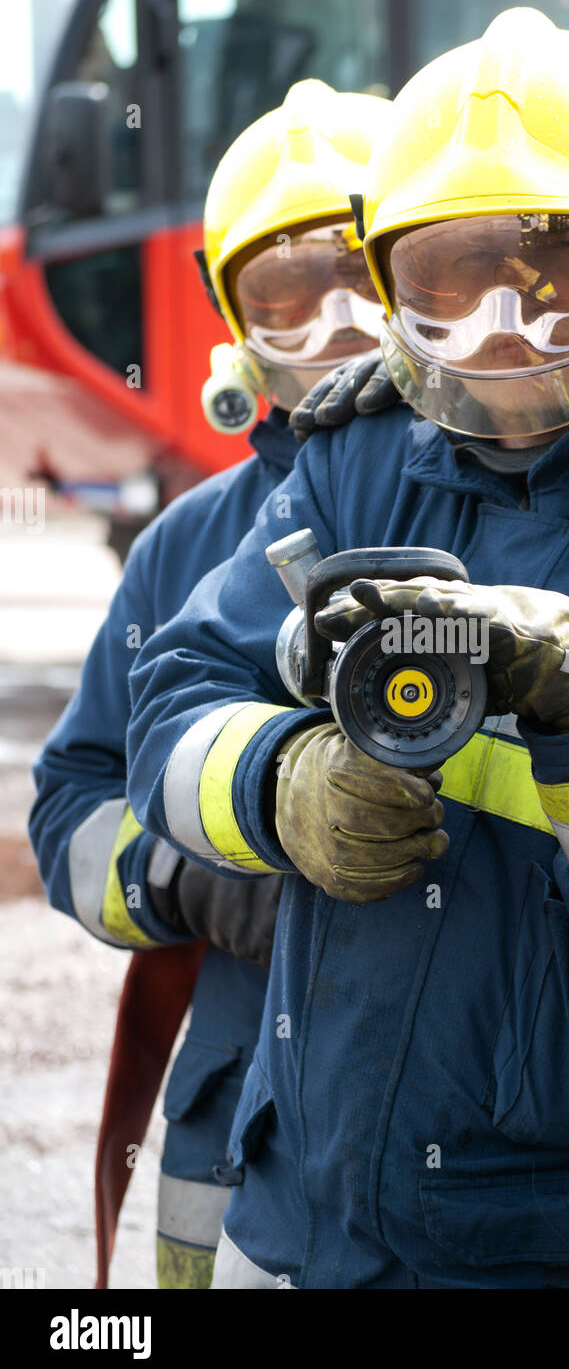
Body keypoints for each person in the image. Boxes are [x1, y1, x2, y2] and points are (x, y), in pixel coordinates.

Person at [125, 10, 569, 1289]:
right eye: (446, 291)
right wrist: (280, 786)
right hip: (304, 1231)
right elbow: (172, 701)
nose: (501, 336)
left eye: (562, 279)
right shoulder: (356, 470)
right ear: (389, 280)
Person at [29, 79, 393, 1289]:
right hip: (235, 1132)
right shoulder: (189, 548)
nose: (335, 325)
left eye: (360, 274)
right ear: (235, 324)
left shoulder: (518, 511)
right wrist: (175, 871)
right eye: (286, 295)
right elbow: (72, 794)